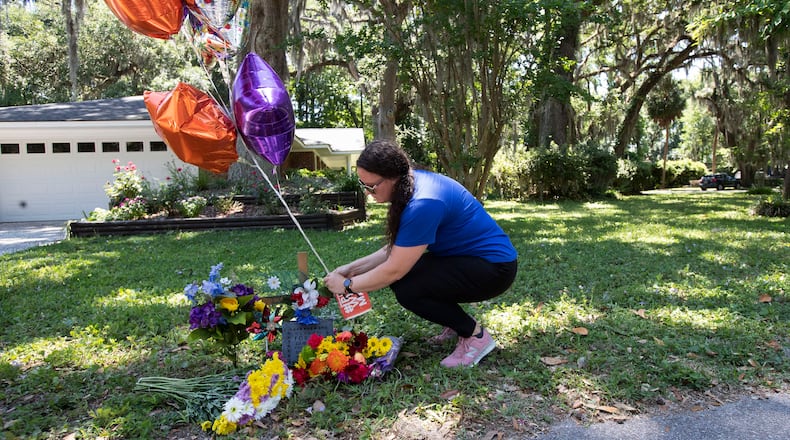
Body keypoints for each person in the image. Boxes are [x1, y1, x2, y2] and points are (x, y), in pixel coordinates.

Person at [323, 139, 518, 368]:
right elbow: (397, 250)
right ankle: (457, 324)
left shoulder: (423, 203)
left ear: (392, 177)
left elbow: (394, 270)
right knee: (409, 279)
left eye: (371, 186)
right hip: (469, 260)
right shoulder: (412, 185)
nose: (367, 193)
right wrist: (350, 269)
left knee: (407, 288)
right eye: (362, 185)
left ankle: (475, 336)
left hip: (494, 268)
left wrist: (347, 285)